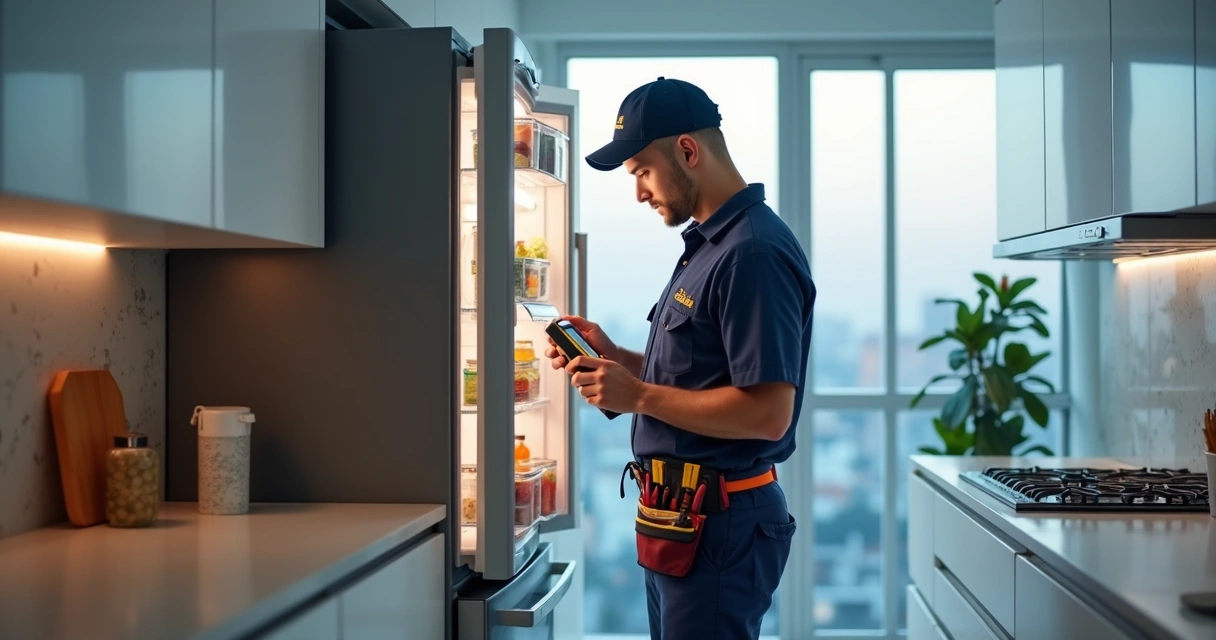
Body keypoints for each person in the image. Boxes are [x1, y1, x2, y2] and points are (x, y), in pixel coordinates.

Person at [543, 77, 816, 640]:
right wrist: (618, 359)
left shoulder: (752, 253)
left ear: (687, 151)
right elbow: (702, 376)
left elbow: (767, 413)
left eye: (642, 170)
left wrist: (638, 396)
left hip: (722, 526)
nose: (639, 191)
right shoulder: (711, 247)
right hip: (679, 518)